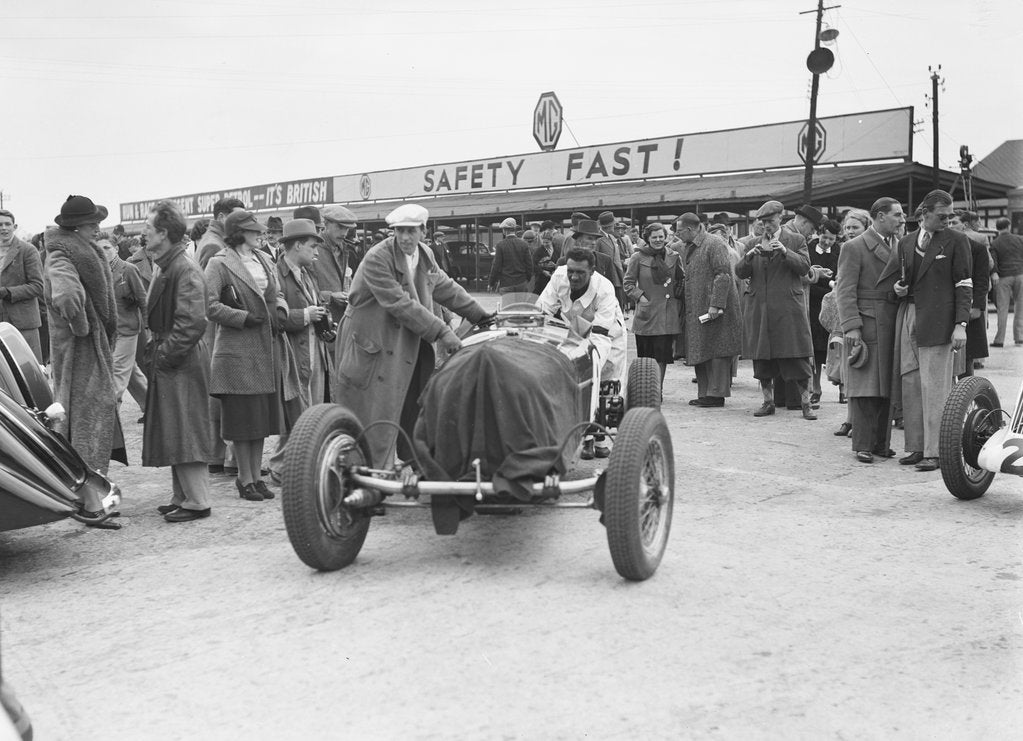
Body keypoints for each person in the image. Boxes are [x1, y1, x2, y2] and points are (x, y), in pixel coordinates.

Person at [333, 203, 490, 466]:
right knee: (372, 415)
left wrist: (480, 314)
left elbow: (443, 285)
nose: (405, 237)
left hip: (407, 343)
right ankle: (365, 481)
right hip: (372, 343)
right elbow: (399, 303)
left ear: (423, 231)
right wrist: (442, 331)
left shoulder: (425, 253)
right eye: (399, 231)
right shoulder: (377, 257)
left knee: (412, 406)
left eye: (411, 231)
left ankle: (413, 466)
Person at [205, 210, 298, 501]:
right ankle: (245, 479)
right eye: (253, 230)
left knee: (259, 419)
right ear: (238, 233)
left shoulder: (263, 259)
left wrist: (280, 310)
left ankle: (256, 477)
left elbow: (278, 293)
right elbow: (208, 306)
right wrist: (243, 317)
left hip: (266, 348)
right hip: (237, 352)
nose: (260, 234)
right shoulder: (219, 263)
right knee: (243, 421)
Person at [44, 196, 123, 526]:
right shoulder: (61, 253)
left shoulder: (73, 249)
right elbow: (66, 295)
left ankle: (90, 499)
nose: (97, 229)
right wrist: (82, 327)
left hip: (87, 351)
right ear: (76, 227)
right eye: (92, 224)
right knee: (87, 425)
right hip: (80, 353)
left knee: (89, 423)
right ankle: (89, 504)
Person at [882, 190, 972, 472]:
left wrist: (961, 324)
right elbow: (896, 279)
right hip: (909, 316)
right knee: (911, 383)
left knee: (936, 387)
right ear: (924, 214)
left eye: (950, 216)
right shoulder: (906, 243)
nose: (948, 220)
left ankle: (935, 451)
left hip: (940, 322)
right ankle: (916, 447)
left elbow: (964, 285)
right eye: (942, 216)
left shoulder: (957, 241)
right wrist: (897, 289)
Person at [140, 201, 216, 522]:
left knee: (185, 428)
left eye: (148, 227)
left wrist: (165, 357)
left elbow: (191, 322)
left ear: (164, 233)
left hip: (180, 358)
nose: (143, 232)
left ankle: (198, 501)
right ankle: (183, 495)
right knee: (176, 427)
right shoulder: (169, 262)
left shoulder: (182, 267)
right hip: (175, 356)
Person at [537, 246, 626, 459]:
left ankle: (600, 437)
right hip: (575, 331)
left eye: (581, 273)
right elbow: (541, 312)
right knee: (571, 375)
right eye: (571, 271)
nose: (574, 277)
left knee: (602, 378)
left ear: (592, 272)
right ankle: (584, 437)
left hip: (608, 335)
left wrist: (587, 360)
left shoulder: (604, 289)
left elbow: (600, 335)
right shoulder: (559, 277)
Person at [835, 197, 905, 463]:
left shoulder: (900, 245)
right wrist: (851, 326)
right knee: (866, 387)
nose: (901, 219)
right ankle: (862, 444)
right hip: (866, 323)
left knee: (886, 384)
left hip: (891, 320)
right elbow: (845, 290)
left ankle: (880, 443)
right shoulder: (854, 247)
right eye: (897, 215)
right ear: (880, 217)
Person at [734, 200, 817, 420]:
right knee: (763, 359)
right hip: (760, 309)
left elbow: (804, 267)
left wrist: (785, 252)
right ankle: (768, 401)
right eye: (763, 222)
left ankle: (806, 403)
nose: (766, 226)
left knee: (796, 357)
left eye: (770, 221)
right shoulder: (753, 242)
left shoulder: (796, 240)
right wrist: (749, 256)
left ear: (781, 218)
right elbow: (740, 273)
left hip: (788, 309)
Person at [269, 219, 332, 483]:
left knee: (309, 410)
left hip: (312, 349)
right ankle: (283, 467)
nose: (317, 251)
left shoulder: (306, 272)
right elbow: (275, 317)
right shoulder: (276, 274)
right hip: (293, 353)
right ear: (296, 245)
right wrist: (306, 315)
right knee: (297, 410)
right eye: (312, 246)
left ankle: (293, 465)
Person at [674, 214, 742, 406]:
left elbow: (723, 275)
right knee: (701, 350)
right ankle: (705, 393)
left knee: (717, 351)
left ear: (690, 229)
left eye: (679, 231)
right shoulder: (690, 246)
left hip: (715, 309)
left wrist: (716, 304)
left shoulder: (714, 244)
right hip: (698, 307)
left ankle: (716, 395)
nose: (677, 235)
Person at [98, 232, 149, 426]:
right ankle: (153, 407)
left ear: (116, 249)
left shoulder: (128, 269)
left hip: (127, 330)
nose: (103, 252)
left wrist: (149, 328)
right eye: (99, 249)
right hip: (108, 332)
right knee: (133, 374)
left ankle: (107, 421)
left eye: (107, 248)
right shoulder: (97, 272)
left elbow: (143, 300)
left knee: (117, 374)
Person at [623, 222, 682, 385]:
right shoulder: (637, 257)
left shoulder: (674, 256)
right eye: (654, 237)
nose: (658, 240)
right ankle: (646, 388)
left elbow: (681, 280)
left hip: (666, 315)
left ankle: (657, 389)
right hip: (647, 315)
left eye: (661, 237)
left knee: (662, 356)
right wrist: (641, 298)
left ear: (666, 238)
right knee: (646, 357)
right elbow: (628, 284)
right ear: (647, 238)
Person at [0, 209, 44, 362]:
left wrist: (8, 292)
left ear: (15, 226)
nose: (3, 228)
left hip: (23, 323)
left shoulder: (27, 250)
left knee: (29, 370)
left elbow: (38, 286)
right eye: (0, 224)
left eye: (7, 224)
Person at [949, 210, 990, 376]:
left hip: (969, 305)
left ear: (964, 225)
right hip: (947, 305)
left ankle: (965, 397)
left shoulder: (977, 249)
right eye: (948, 222)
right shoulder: (941, 246)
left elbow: (982, 280)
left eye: (954, 223)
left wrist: (978, 306)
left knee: (966, 356)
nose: (950, 226)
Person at [808, 218, 841, 403]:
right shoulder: (809, 249)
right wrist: (830, 285)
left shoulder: (840, 251)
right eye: (824, 237)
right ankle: (816, 388)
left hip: (834, 306)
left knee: (837, 345)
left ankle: (842, 388)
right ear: (818, 233)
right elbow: (808, 279)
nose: (827, 242)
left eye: (831, 239)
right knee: (815, 349)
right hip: (813, 305)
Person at [313, 205, 359, 324]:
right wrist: (331, 296)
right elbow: (302, 290)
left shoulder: (345, 250)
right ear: (326, 224)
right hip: (321, 323)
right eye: (340, 227)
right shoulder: (313, 249)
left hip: (342, 320)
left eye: (347, 229)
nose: (344, 233)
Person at [989, 217, 1023, 346]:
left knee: (1002, 309)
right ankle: (1019, 337)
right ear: (1008, 226)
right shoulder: (1020, 239)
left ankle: (999, 340)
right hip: (1020, 274)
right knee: (1020, 307)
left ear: (997, 228)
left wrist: (994, 273)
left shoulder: (995, 243)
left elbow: (994, 261)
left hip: (1003, 277)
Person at [488, 217, 532, 293]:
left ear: (504, 231)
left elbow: (496, 266)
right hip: (521, 282)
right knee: (521, 305)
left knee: (508, 305)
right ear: (514, 229)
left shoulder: (500, 245)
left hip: (506, 283)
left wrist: (491, 283)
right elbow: (529, 265)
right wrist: (527, 279)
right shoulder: (524, 244)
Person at [532, 225, 560, 295]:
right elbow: (533, 264)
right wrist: (543, 271)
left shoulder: (557, 250)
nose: (545, 244)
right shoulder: (538, 251)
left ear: (551, 241)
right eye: (543, 242)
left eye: (547, 242)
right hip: (541, 280)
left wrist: (556, 266)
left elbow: (560, 262)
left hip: (554, 279)